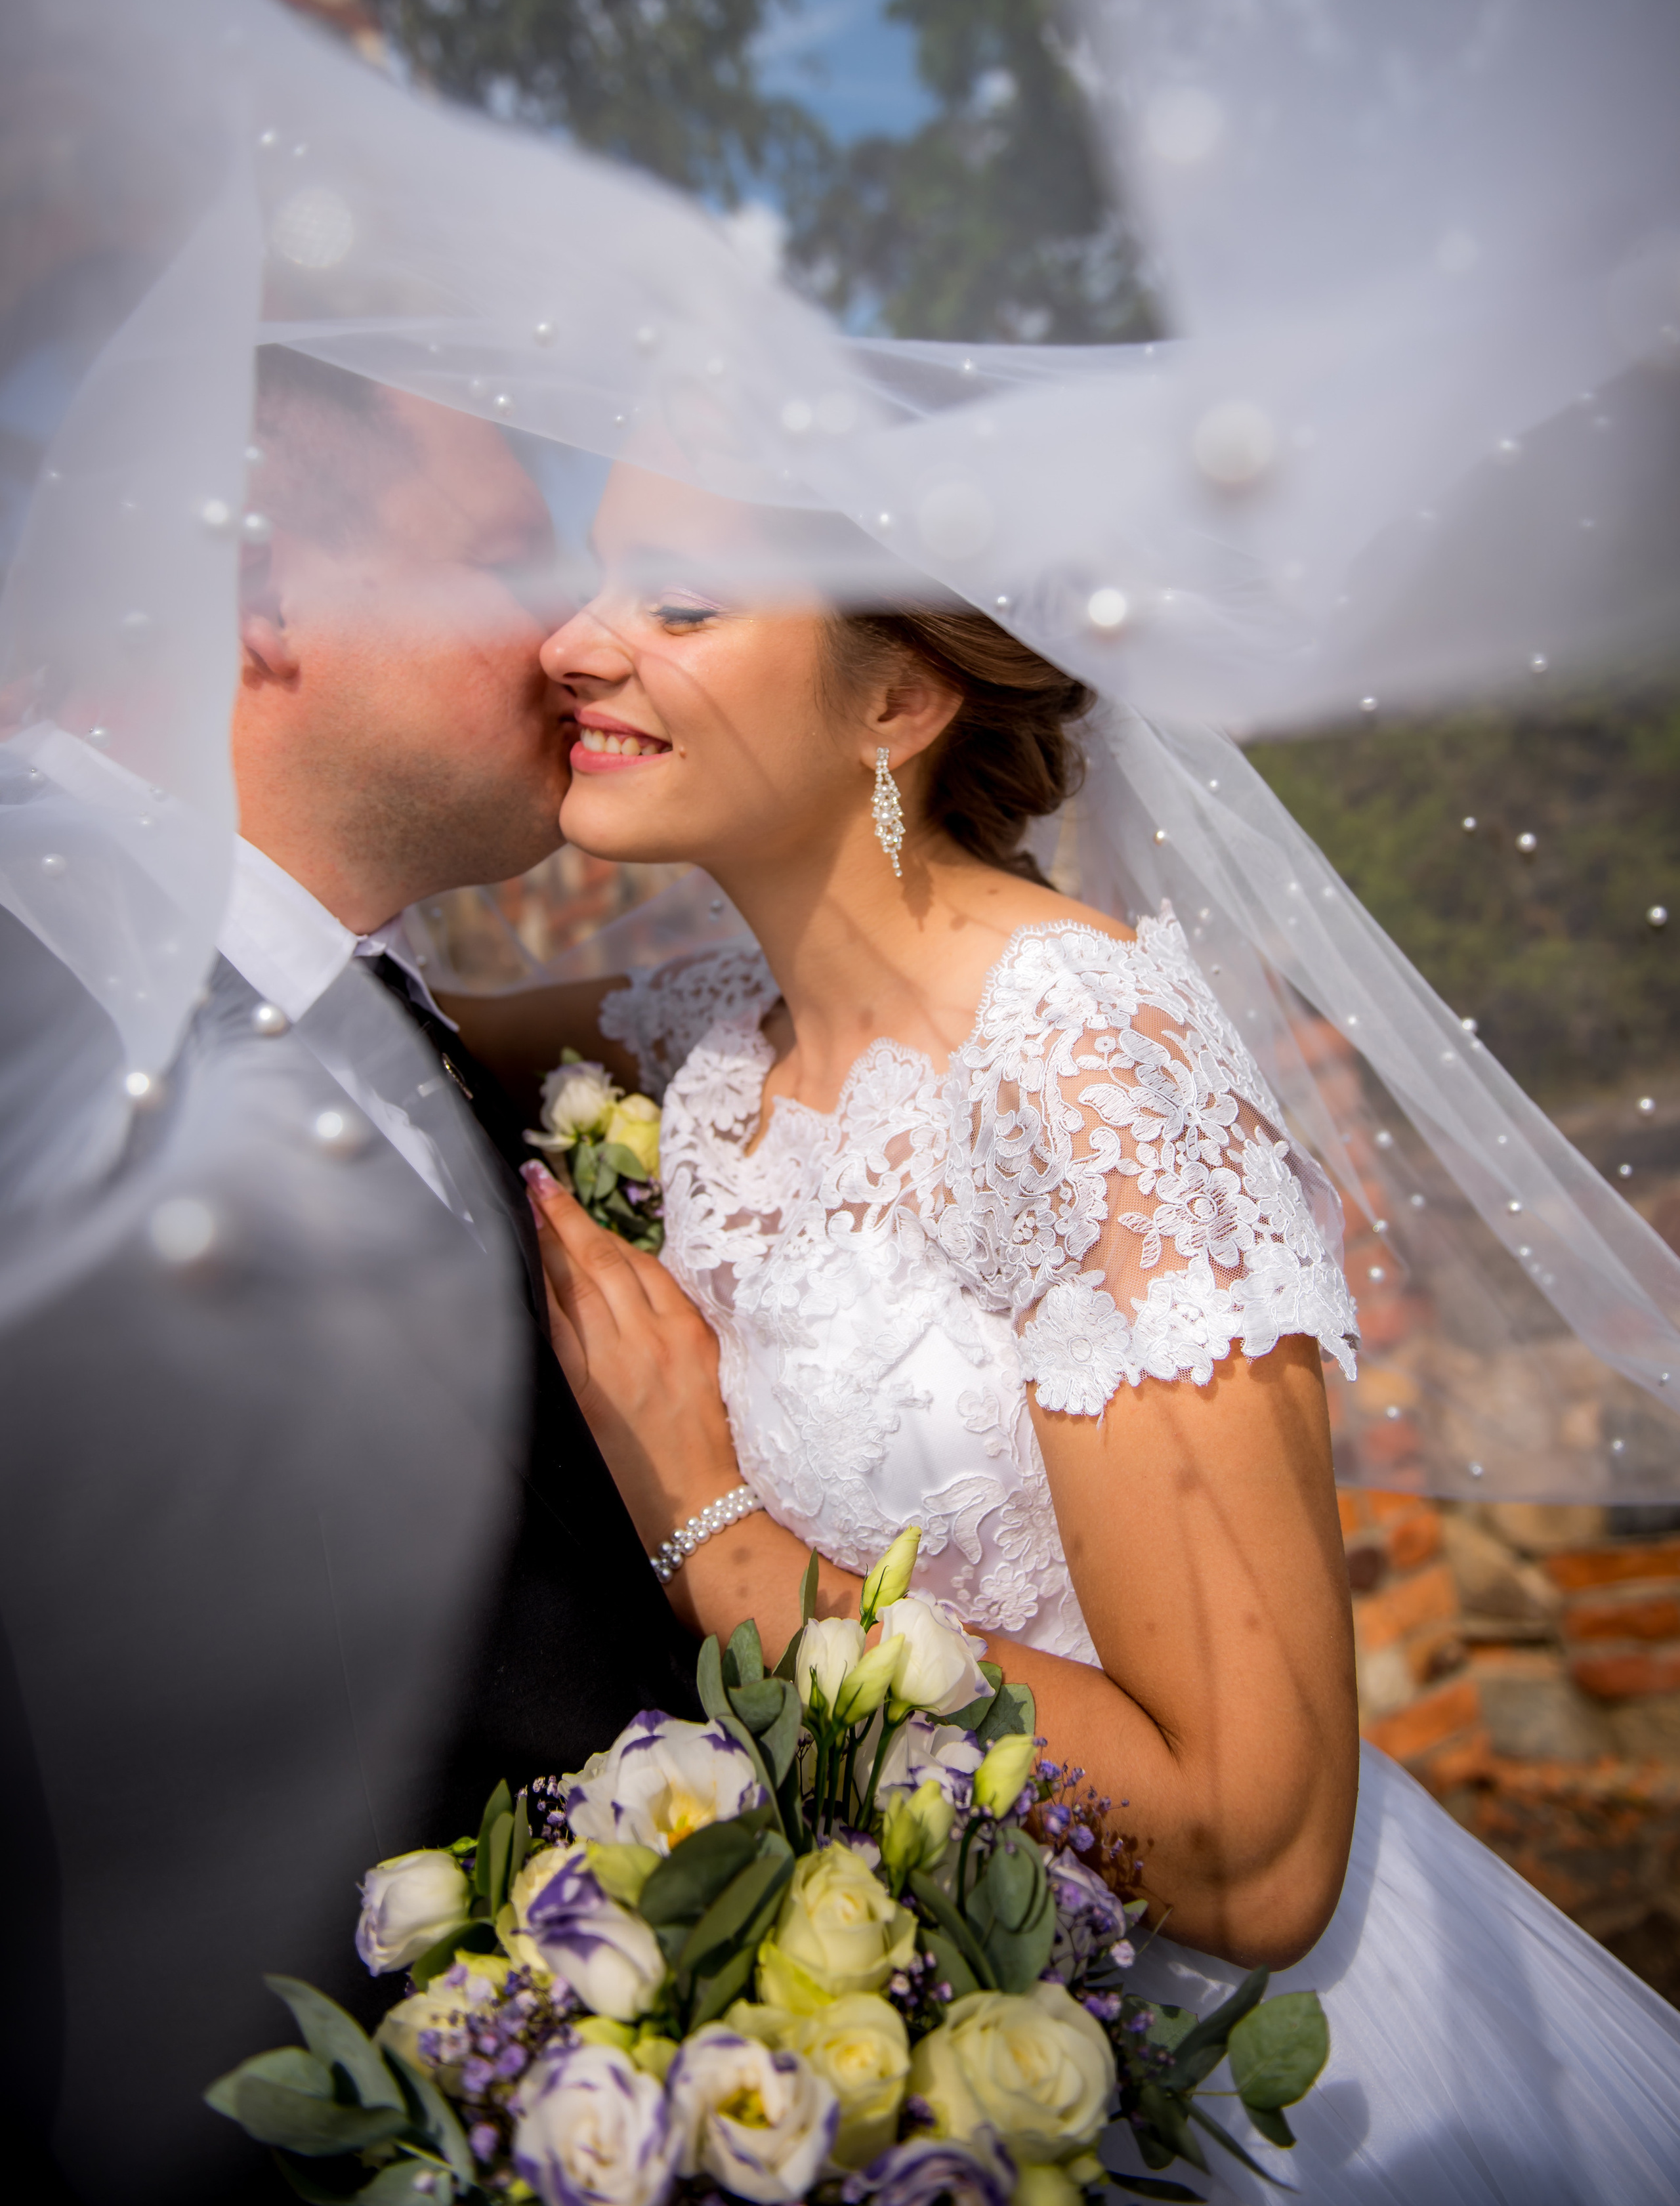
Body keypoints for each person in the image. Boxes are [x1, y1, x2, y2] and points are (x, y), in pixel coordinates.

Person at [456, 458, 1680, 2205]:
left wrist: (713, 1523)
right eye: (595, 582)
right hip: (931, 2074)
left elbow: (1258, 1851)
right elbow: (386, 1017)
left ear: (897, 696)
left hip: (1266, 2090)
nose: (573, 644)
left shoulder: (1086, 1059)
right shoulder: (712, 1043)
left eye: (682, 600)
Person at [0, 360, 700, 2205]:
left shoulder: (348, 999)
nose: (572, 635)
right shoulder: (40, 1028)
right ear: (267, 593)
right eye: (498, 565)